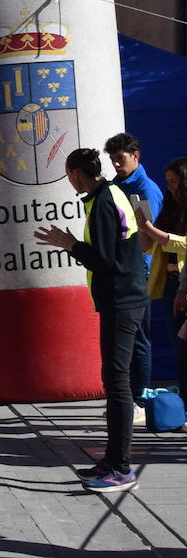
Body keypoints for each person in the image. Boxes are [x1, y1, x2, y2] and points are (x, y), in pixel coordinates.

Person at [34, 147, 148, 492]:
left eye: (68, 174)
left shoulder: (103, 202)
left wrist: (69, 244)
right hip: (121, 299)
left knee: (117, 382)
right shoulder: (108, 194)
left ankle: (122, 468)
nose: (68, 180)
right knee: (113, 379)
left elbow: (104, 260)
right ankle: (112, 461)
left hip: (122, 300)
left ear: (76, 173)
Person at [106, 132, 162, 415]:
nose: (116, 164)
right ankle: (126, 400)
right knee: (123, 340)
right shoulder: (116, 186)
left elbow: (149, 240)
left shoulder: (145, 190)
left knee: (139, 339)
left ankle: (140, 402)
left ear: (135, 156)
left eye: (121, 159)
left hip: (138, 272)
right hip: (120, 271)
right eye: (113, 159)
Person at [138, 157, 187, 401]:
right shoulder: (170, 206)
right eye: (168, 181)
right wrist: (142, 230)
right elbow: (152, 247)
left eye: (175, 182)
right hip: (170, 283)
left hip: (184, 283)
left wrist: (152, 231)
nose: (170, 187)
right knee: (179, 344)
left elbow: (182, 244)